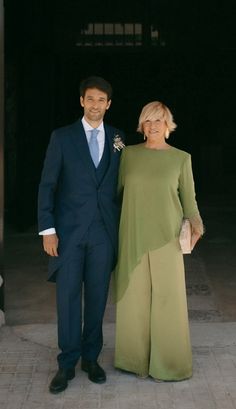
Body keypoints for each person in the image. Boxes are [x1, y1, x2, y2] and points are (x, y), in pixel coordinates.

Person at [38, 76, 125, 393]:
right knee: (69, 299)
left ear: (108, 104)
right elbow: (47, 185)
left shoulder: (119, 138)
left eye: (101, 100)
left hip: (103, 232)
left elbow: (123, 184)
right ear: (81, 101)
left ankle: (91, 358)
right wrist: (48, 229)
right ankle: (66, 364)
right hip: (69, 234)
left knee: (98, 298)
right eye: (90, 99)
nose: (95, 105)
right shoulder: (62, 137)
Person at [114, 101, 204, 381]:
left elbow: (189, 200)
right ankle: (133, 361)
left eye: (158, 121)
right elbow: (114, 195)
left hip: (168, 238)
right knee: (132, 299)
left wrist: (197, 226)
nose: (153, 126)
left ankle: (170, 364)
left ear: (168, 125)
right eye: (147, 121)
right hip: (133, 234)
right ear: (141, 125)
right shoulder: (128, 155)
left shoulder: (181, 158)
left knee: (169, 301)